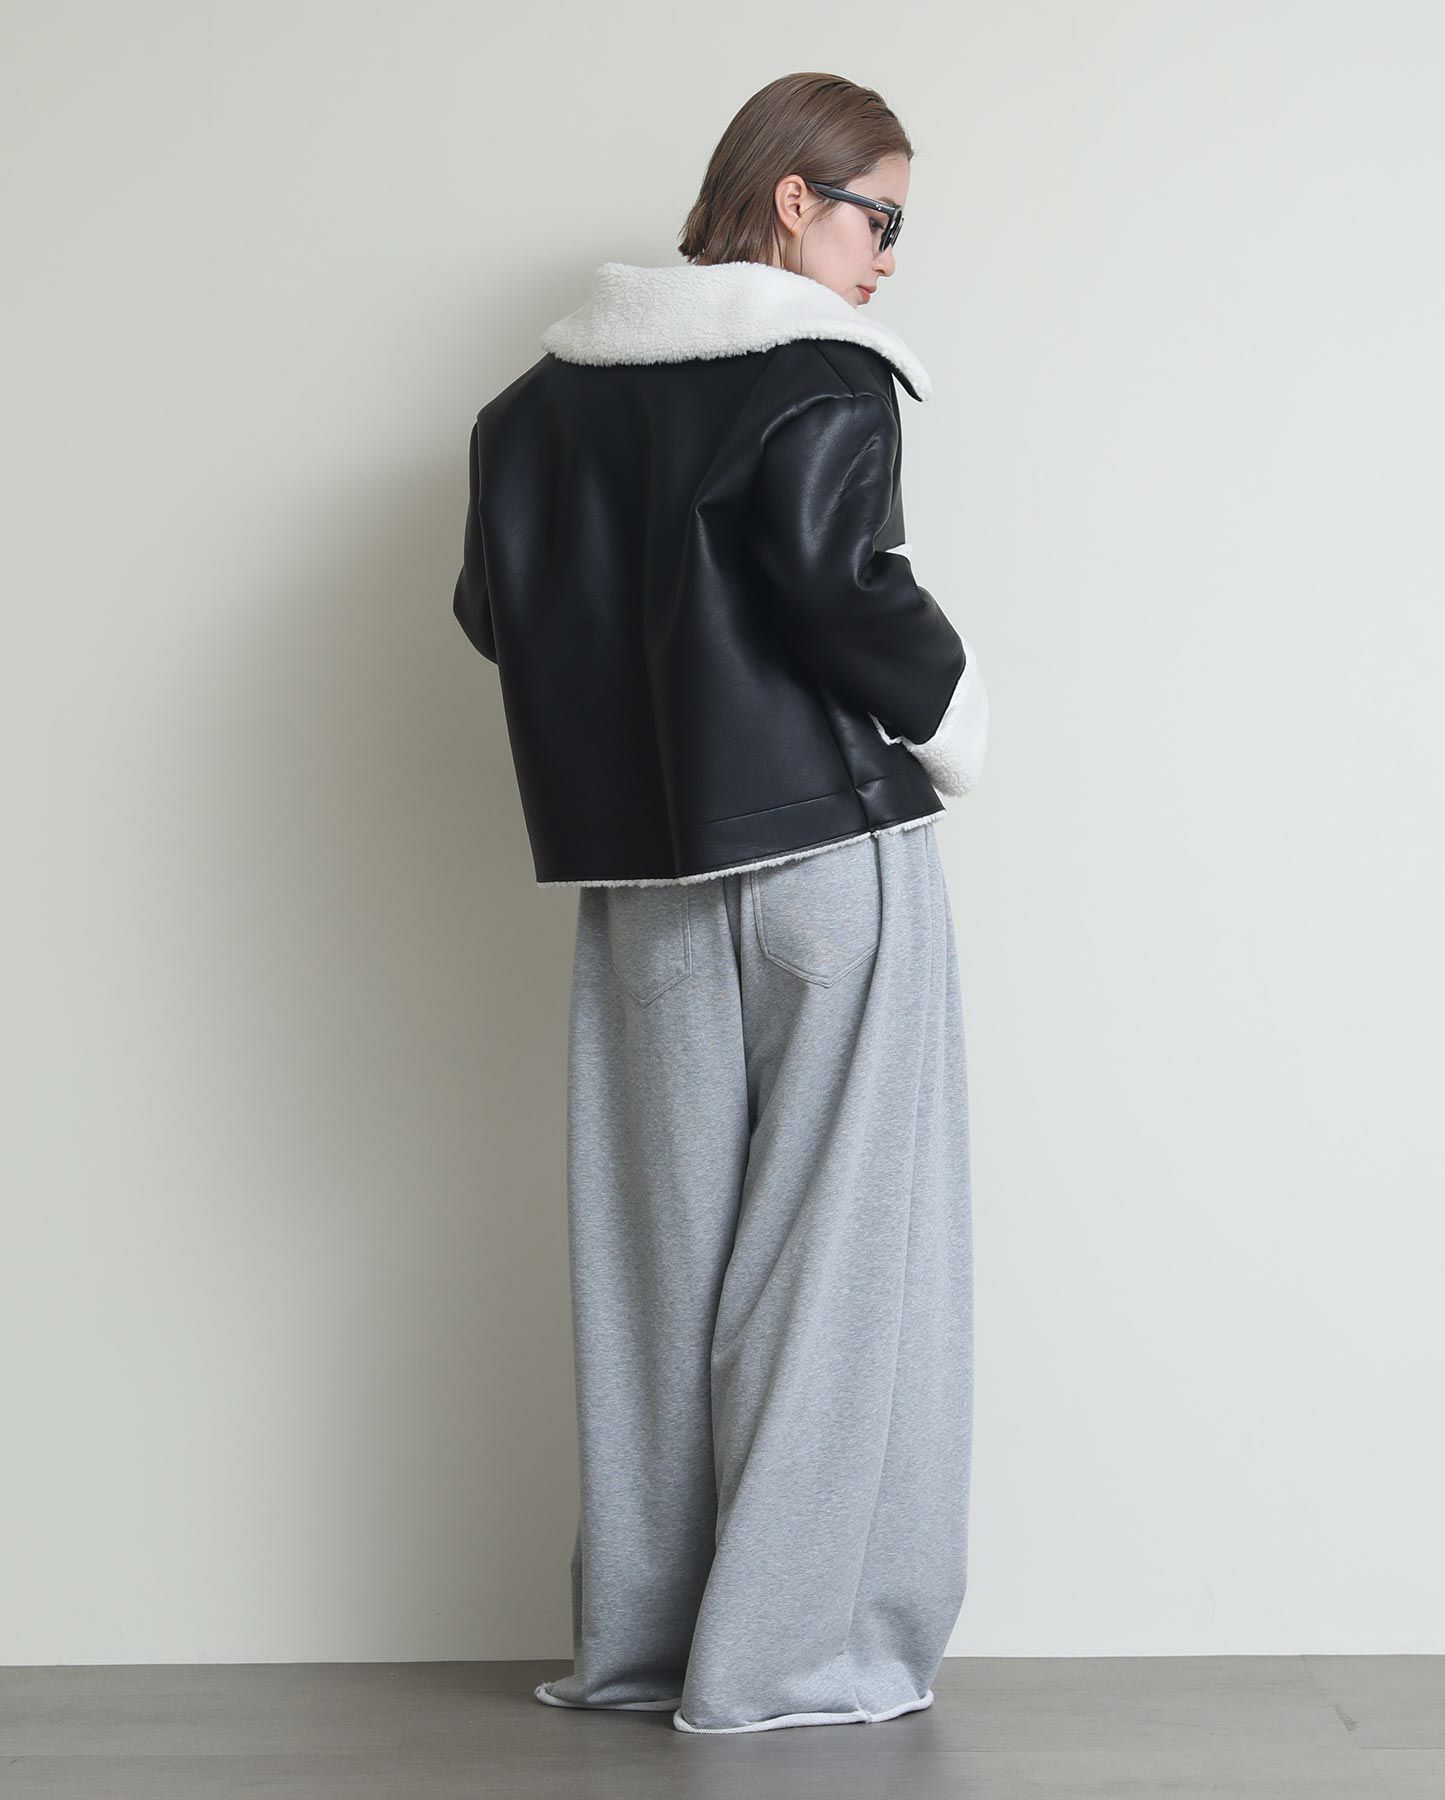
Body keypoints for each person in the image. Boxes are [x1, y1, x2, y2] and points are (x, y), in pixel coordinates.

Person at [451, 71, 989, 1734]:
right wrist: (956, 712)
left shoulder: (532, 410)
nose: (886, 257)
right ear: (792, 199)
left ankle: (649, 1648)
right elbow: (840, 584)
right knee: (841, 1270)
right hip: (827, 855)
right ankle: (786, 1661)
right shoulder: (822, 369)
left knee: (651, 1270)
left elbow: (493, 613)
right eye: (877, 217)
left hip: (641, 889)